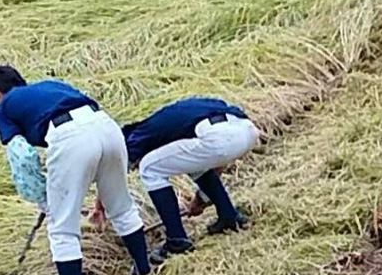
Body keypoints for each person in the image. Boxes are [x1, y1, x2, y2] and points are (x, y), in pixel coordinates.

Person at [0, 64, 152, 275]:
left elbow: (22, 158)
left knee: (62, 230)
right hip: (107, 127)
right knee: (122, 208)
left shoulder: (4, 107)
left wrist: (44, 199)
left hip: (70, 137)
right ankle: (144, 272)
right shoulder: (49, 86)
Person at [94, 97, 259, 264]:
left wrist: (99, 206)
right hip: (247, 129)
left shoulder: (135, 137)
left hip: (217, 137)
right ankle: (229, 216)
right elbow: (214, 163)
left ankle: (177, 240)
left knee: (149, 169)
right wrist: (201, 199)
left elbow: (114, 174)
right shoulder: (166, 122)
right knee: (193, 162)